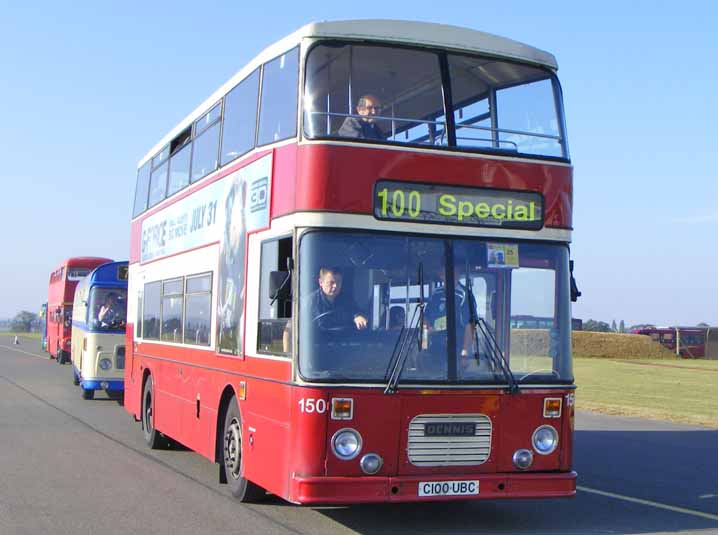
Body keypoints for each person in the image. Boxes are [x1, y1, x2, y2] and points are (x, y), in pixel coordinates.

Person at [423, 266, 477, 360]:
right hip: (436, 346)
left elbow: (470, 325)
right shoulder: (436, 293)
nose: (444, 276)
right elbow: (425, 319)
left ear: (457, 274)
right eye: (443, 273)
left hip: (457, 347)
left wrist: (464, 351)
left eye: (451, 273)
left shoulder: (465, 295)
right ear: (441, 275)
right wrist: (423, 344)